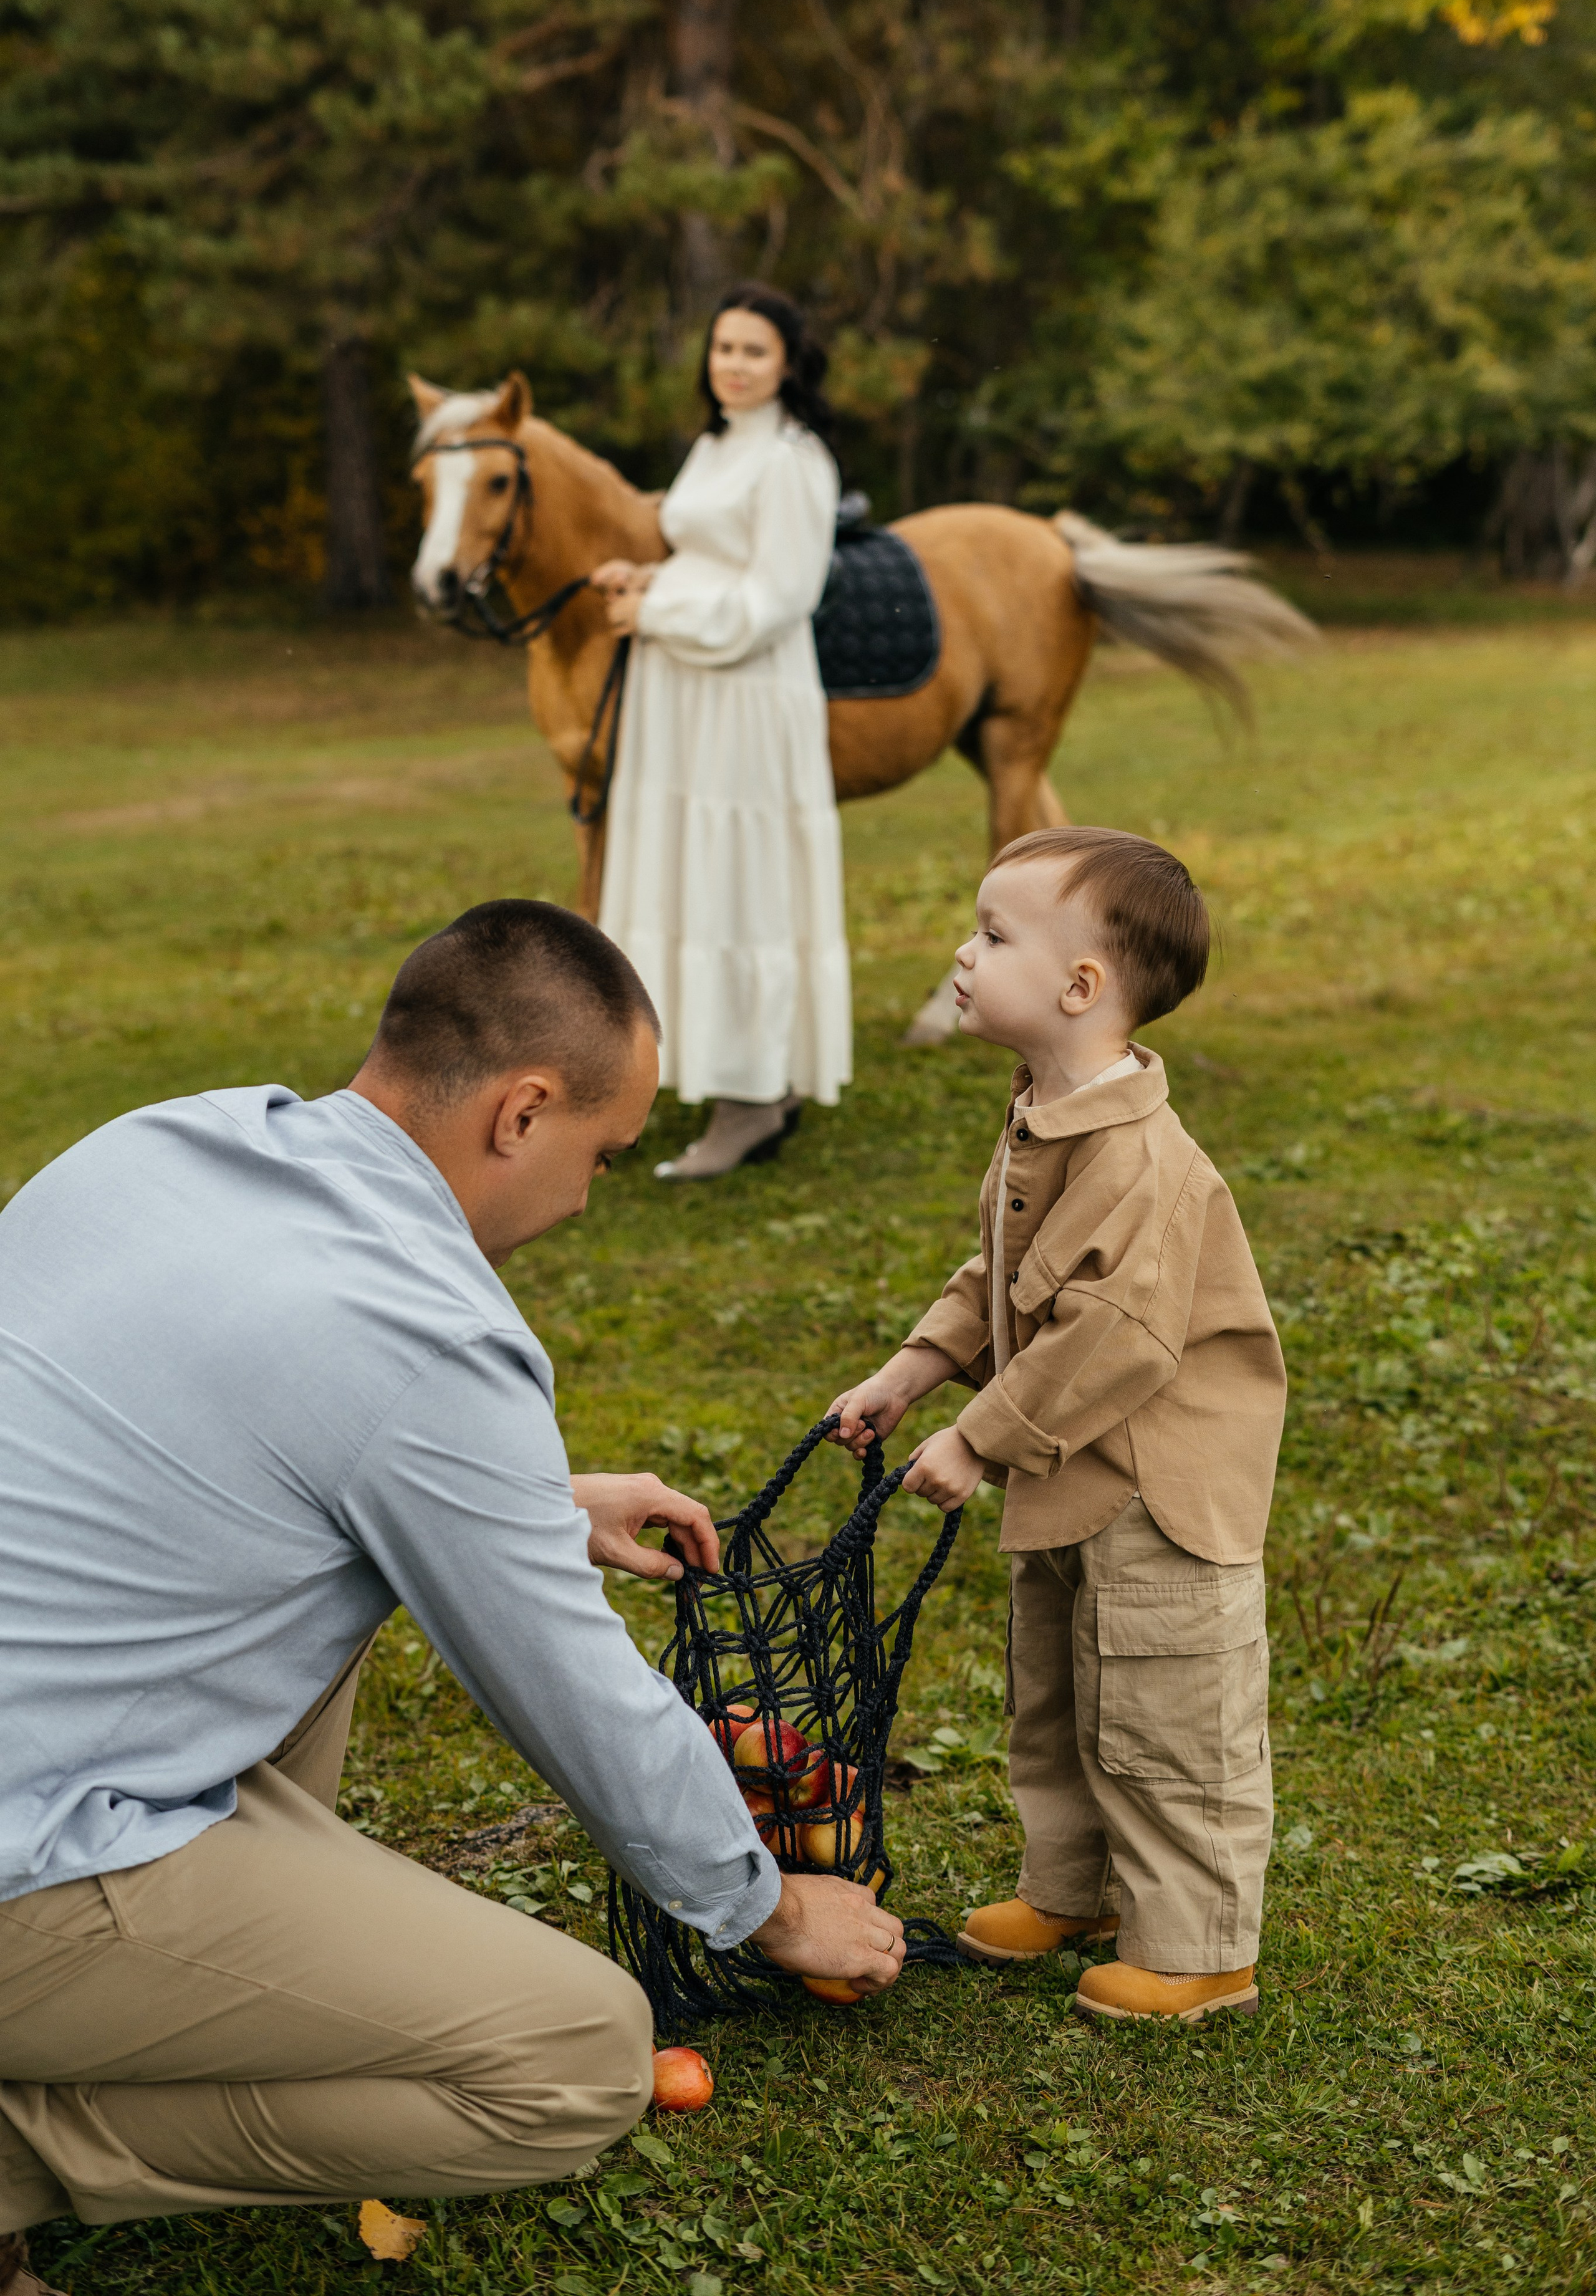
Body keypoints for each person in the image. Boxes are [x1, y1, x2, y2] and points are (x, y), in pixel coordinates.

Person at [0, 901, 903, 2285]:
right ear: (520, 1111)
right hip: (28, 1850)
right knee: (574, 2062)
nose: (593, 1192)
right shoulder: (428, 1330)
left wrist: (533, 1510)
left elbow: (220, 1452)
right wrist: (768, 1909)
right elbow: (577, 1696)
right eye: (602, 1152)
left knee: (328, 1595)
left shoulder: (165, 1142)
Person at [826, 830, 1287, 2025]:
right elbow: (1003, 1271)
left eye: (990, 934)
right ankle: (1074, 1889)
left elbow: (1113, 1334)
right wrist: (914, 1369)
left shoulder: (1144, 1159)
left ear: (1081, 988)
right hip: (1073, 1472)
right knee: (1062, 1695)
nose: (963, 954)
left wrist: (979, 1437)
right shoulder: (1048, 1110)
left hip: (1157, 1488)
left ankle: (1198, 1947)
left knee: (1166, 1710)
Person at [592, 281, 850, 1181]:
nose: (733, 365)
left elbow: (778, 598)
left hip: (745, 695)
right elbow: (713, 559)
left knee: (740, 884)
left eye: (753, 351)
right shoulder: (715, 445)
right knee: (688, 879)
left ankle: (754, 1098)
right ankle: (703, 1074)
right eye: (723, 348)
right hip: (685, 695)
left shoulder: (792, 458)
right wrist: (649, 574)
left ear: (787, 363)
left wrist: (658, 604)